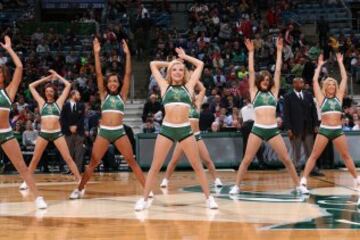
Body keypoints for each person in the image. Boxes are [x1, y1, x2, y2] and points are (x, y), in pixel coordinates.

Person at [134, 48, 218, 211]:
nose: (178, 72)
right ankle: (144, 199)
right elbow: (153, 64)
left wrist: (185, 57)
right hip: (167, 130)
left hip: (185, 130)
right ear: (170, 73)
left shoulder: (189, 87)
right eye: (174, 69)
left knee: (197, 165)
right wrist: (171, 62)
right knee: (155, 165)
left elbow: (200, 64)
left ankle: (209, 198)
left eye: (181, 69)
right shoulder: (164, 86)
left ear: (184, 72)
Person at [69, 38, 147, 199]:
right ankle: (80, 189)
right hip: (104, 132)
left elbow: (127, 73)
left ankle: (147, 190)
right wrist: (96, 53)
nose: (112, 83)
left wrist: (128, 54)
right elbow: (98, 73)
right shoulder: (103, 95)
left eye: (115, 81)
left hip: (119, 132)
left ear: (118, 84)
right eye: (110, 81)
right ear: (107, 83)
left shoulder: (123, 96)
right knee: (93, 163)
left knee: (132, 161)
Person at [229, 38, 306, 195]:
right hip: (257, 129)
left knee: (286, 159)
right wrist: (250, 53)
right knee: (247, 160)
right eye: (262, 79)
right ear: (258, 82)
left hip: (272, 129)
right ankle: (236, 186)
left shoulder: (274, 92)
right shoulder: (254, 92)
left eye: (267, 80)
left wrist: (279, 51)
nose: (265, 81)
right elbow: (251, 71)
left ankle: (299, 186)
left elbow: (277, 71)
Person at [300, 53, 360, 191]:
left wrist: (340, 62)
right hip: (325, 130)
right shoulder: (322, 98)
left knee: (346, 156)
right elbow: (315, 81)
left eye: (334, 84)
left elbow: (344, 78)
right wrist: (320, 65)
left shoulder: (339, 97)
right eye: (330, 84)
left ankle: (356, 179)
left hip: (338, 130)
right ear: (326, 87)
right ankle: (303, 180)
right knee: (314, 155)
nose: (332, 85)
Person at [0, 36, 47, 209]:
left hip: (5, 133)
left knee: (21, 166)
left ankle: (38, 197)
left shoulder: (9, 92)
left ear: (3, 76)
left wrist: (9, 49)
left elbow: (19, 67)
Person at [19, 70, 81, 190]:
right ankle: (26, 182)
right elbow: (31, 86)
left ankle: (79, 179)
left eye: (51, 91)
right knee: (35, 158)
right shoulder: (41, 103)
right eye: (47, 91)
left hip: (57, 134)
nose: (49, 93)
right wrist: (46, 79)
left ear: (54, 93)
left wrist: (57, 76)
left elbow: (68, 85)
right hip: (43, 134)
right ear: (45, 93)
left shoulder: (59, 103)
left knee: (68, 158)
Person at [159, 81, 223, 188]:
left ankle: (216, 179)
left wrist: (194, 79)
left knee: (207, 160)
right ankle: (165, 180)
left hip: (196, 136)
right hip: (184, 136)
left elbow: (202, 89)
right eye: (190, 92)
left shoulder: (197, 104)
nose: (193, 94)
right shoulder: (181, 104)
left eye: (194, 93)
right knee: (174, 160)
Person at [284, 77, 322, 176]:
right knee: (296, 150)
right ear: (294, 84)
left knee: (310, 150)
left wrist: (316, 124)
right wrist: (288, 128)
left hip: (308, 127)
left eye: (302, 82)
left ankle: (313, 169)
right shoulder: (288, 96)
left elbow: (314, 111)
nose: (301, 84)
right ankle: (296, 169)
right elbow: (286, 114)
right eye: (298, 82)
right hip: (295, 128)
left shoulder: (308, 95)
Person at [61, 90, 85, 172]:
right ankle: (71, 169)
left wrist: (76, 126)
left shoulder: (82, 106)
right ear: (73, 95)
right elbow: (63, 119)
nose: (80, 96)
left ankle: (78, 170)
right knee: (69, 152)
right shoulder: (65, 106)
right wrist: (69, 127)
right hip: (68, 132)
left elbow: (82, 118)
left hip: (79, 132)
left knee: (79, 152)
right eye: (78, 94)